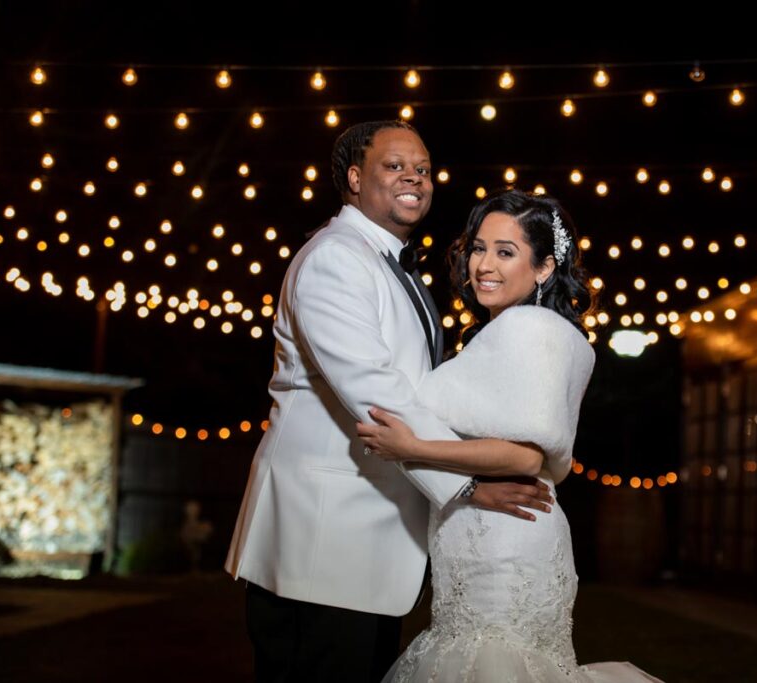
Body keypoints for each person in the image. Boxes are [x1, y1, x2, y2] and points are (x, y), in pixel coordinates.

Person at [224, 121, 554, 683]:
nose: (414, 179)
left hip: (366, 544)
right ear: (354, 178)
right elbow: (376, 392)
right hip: (321, 543)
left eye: (422, 169)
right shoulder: (334, 258)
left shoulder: (383, 260)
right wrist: (470, 481)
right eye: (395, 166)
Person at [358, 189, 662, 682]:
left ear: (543, 268)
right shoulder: (503, 335)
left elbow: (523, 456)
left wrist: (411, 448)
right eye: (479, 248)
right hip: (482, 533)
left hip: (506, 542)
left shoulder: (530, 330)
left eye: (506, 251)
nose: (484, 265)